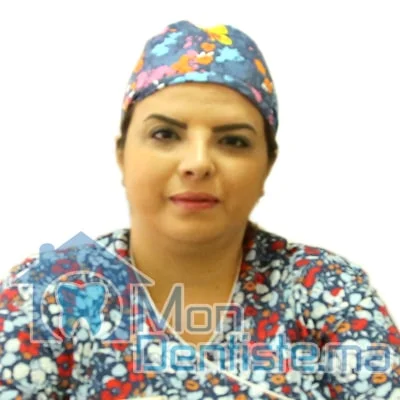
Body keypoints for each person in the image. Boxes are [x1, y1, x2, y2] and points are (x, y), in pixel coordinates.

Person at [0, 20, 399, 400]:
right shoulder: (48, 292)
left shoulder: (327, 288)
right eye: (165, 134)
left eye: (233, 142)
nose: (197, 163)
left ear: (267, 165)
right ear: (122, 154)